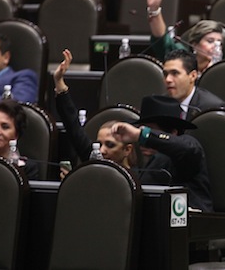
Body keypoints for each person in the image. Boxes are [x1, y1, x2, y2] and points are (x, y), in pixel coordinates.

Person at [54, 49, 213, 211]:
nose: (143, 139)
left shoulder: (188, 151)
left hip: (194, 225)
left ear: (172, 133)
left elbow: (186, 149)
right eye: (143, 132)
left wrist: (141, 134)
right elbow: (81, 140)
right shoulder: (140, 167)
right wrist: (61, 89)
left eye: (151, 131)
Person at [146, 0, 225, 75]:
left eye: (220, 43)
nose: (216, 47)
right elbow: (162, 41)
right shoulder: (182, 58)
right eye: (210, 41)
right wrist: (154, 9)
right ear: (195, 45)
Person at [162, 49, 225, 120]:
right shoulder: (161, 104)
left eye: (175, 73)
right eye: (165, 74)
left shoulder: (212, 109)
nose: (168, 79)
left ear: (193, 76)